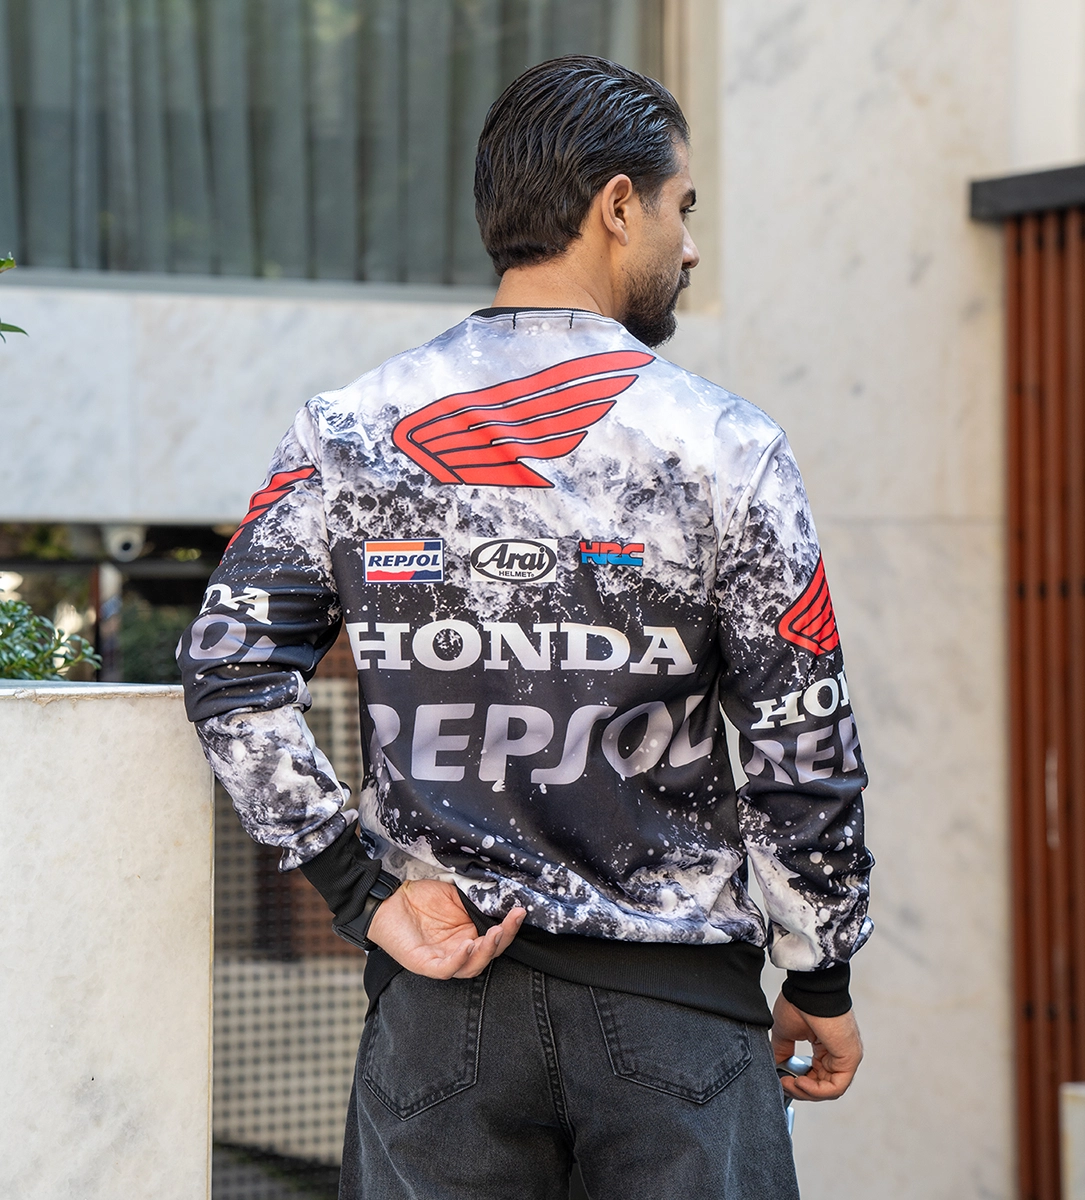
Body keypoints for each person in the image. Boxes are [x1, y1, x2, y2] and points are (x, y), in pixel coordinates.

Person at [179, 55, 872, 1200]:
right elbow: (803, 737)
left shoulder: (350, 430)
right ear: (617, 206)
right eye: (683, 206)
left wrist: (361, 892)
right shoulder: (725, 447)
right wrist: (822, 973)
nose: (690, 246)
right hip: (675, 1029)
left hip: (439, 1023)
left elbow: (227, 671)